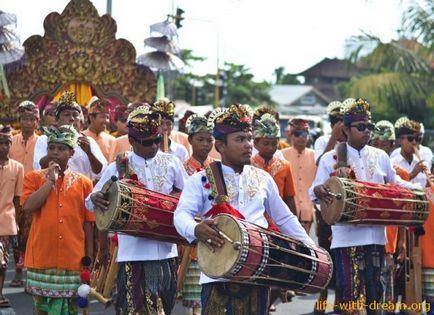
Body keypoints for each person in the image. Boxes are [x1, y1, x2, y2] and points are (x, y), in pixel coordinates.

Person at [174, 103, 314, 315]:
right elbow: (181, 215)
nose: (249, 145)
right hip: (216, 273)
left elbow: (284, 218)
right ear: (220, 145)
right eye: (240, 139)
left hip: (257, 271)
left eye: (249, 138)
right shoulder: (199, 180)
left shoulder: (263, 179)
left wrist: (311, 248)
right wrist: (195, 229)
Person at [311, 98, 422, 315]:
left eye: (369, 127)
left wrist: (419, 190)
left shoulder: (380, 156)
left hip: (375, 238)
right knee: (347, 297)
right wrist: (319, 191)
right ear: (346, 129)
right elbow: (314, 191)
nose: (367, 131)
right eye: (361, 127)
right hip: (345, 239)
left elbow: (395, 184)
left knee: (375, 295)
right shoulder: (330, 158)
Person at [86, 105, 187, 315]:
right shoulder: (118, 166)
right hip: (132, 253)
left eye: (157, 140)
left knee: (163, 309)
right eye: (148, 142)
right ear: (131, 141)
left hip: (166, 251)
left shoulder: (172, 162)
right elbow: (90, 201)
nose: (154, 146)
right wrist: (95, 198)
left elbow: (188, 199)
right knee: (134, 309)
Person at [22, 125, 94, 315]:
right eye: (51, 148)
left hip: (74, 257)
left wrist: (90, 254)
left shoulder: (84, 182)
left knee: (71, 309)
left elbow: (88, 222)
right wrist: (50, 182)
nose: (55, 152)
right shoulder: (33, 178)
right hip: (41, 256)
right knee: (41, 310)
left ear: (71, 153)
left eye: (61, 149)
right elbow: (28, 207)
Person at [179, 114, 215, 315]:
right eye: (200, 139)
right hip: (190, 241)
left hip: (216, 237)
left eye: (209, 139)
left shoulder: (219, 168)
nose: (205, 144)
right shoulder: (182, 169)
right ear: (190, 140)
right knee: (193, 302)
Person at [33, 91, 107, 181]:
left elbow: (100, 173)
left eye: (75, 115)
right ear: (57, 120)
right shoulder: (44, 139)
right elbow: (39, 166)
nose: (72, 118)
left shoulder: (89, 142)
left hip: (81, 190)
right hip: (51, 190)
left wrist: (89, 153)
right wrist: (53, 150)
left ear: (80, 120)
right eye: (66, 114)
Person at [9, 101, 40, 288]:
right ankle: (19, 272)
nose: (28, 123)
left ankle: (32, 274)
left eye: (32, 119)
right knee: (16, 234)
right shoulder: (11, 141)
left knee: (32, 236)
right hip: (13, 196)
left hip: (34, 195)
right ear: (19, 120)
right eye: (25, 119)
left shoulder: (42, 142)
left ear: (37, 121)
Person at [251, 112, 297, 214]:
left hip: (279, 219)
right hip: (254, 219)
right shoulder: (248, 165)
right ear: (255, 143)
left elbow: (289, 198)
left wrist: (294, 224)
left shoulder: (285, 166)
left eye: (274, 144)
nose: (270, 148)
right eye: (266, 143)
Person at [0, 125, 24, 308]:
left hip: (6, 222)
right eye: (0, 143)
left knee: (2, 261)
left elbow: (17, 199)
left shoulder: (18, 168)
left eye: (7, 143)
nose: (3, 147)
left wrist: (18, 222)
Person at [281, 118, 316, 233]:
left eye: (304, 134)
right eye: (297, 134)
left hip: (307, 209)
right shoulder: (281, 155)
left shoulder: (315, 156)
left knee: (305, 244)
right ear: (291, 136)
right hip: (286, 209)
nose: (301, 137)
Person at [82, 97, 116, 161]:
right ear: (91, 118)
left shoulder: (112, 140)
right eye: (103, 117)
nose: (106, 121)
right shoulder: (80, 138)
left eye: (107, 117)